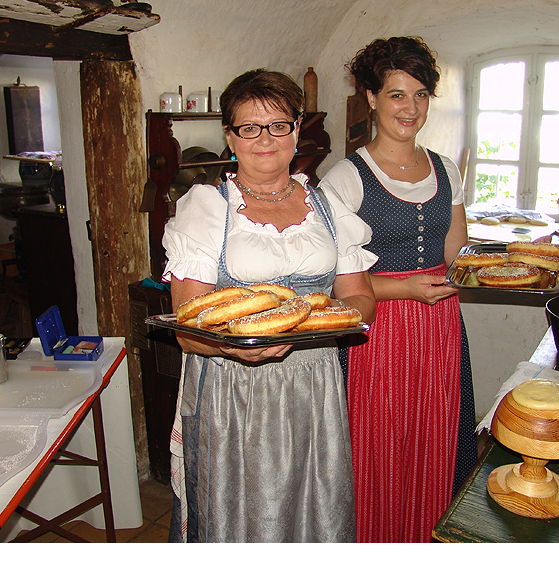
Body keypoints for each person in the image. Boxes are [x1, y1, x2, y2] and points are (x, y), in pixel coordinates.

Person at [161, 69, 377, 542]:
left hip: (313, 382)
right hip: (234, 386)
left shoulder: (327, 206)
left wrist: (334, 320)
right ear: (229, 136)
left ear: (297, 130)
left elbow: (360, 295)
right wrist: (236, 349)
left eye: (279, 125)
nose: (265, 138)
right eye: (249, 127)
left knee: (313, 504)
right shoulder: (205, 208)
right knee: (242, 514)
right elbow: (187, 326)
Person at [319, 36, 478, 543]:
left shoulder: (446, 170)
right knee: (378, 448)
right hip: (376, 330)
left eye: (421, 95)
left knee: (437, 438)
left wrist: (509, 264)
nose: (410, 108)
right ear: (370, 96)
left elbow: (457, 253)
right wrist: (407, 288)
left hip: (440, 327)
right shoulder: (344, 179)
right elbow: (333, 280)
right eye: (396, 94)